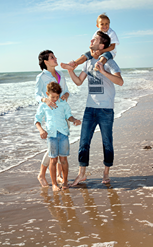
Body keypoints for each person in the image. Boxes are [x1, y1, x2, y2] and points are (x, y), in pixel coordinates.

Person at [67, 31, 124, 186]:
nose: (91, 40)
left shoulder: (109, 61)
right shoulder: (87, 62)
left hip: (106, 109)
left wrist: (103, 71)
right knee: (84, 142)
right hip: (89, 109)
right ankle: (81, 174)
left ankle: (106, 173)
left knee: (107, 142)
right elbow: (79, 82)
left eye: (95, 39)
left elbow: (120, 81)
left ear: (102, 45)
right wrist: (70, 70)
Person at [35, 82, 81, 191]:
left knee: (63, 159)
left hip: (63, 134)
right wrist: (41, 130)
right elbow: (37, 120)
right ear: (47, 94)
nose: (55, 99)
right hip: (51, 135)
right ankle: (54, 184)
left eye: (57, 96)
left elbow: (68, 116)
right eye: (53, 97)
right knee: (53, 160)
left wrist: (74, 120)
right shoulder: (43, 105)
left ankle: (65, 182)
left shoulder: (63, 104)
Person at [35, 50, 70, 187]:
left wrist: (66, 95)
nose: (55, 59)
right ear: (45, 62)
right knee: (52, 147)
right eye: (52, 57)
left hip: (62, 112)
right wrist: (45, 100)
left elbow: (66, 91)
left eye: (54, 56)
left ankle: (59, 175)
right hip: (49, 113)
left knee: (60, 145)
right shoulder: (41, 77)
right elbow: (36, 95)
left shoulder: (61, 74)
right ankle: (41, 174)